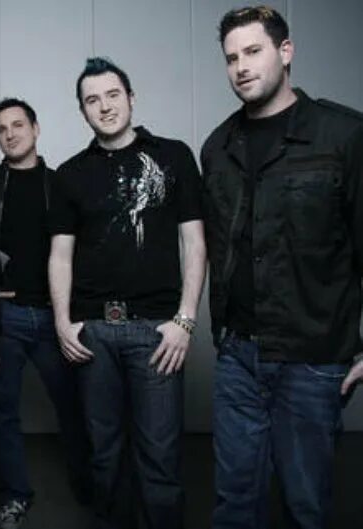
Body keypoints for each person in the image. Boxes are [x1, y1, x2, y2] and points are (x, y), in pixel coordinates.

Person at [202, 6, 363, 528]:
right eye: (231, 58)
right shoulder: (217, 147)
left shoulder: (344, 135)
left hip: (312, 357)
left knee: (305, 505)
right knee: (234, 502)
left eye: (253, 51)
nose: (241, 67)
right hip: (237, 355)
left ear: (286, 51)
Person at [48, 57, 206, 529]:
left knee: (160, 457)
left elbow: (195, 242)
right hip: (93, 333)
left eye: (113, 95)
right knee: (105, 455)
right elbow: (60, 255)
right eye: (92, 100)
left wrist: (185, 320)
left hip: (157, 332)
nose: (104, 106)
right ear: (82, 111)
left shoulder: (173, 156)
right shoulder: (70, 174)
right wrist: (62, 323)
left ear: (131, 98)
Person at [0, 97, 91, 529]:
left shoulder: (60, 183)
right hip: (6, 315)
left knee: (74, 406)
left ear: (35, 128)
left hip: (53, 317)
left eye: (17, 125)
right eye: (1, 129)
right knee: (1, 411)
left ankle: (90, 488)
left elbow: (80, 248)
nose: (10, 134)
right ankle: (15, 495)